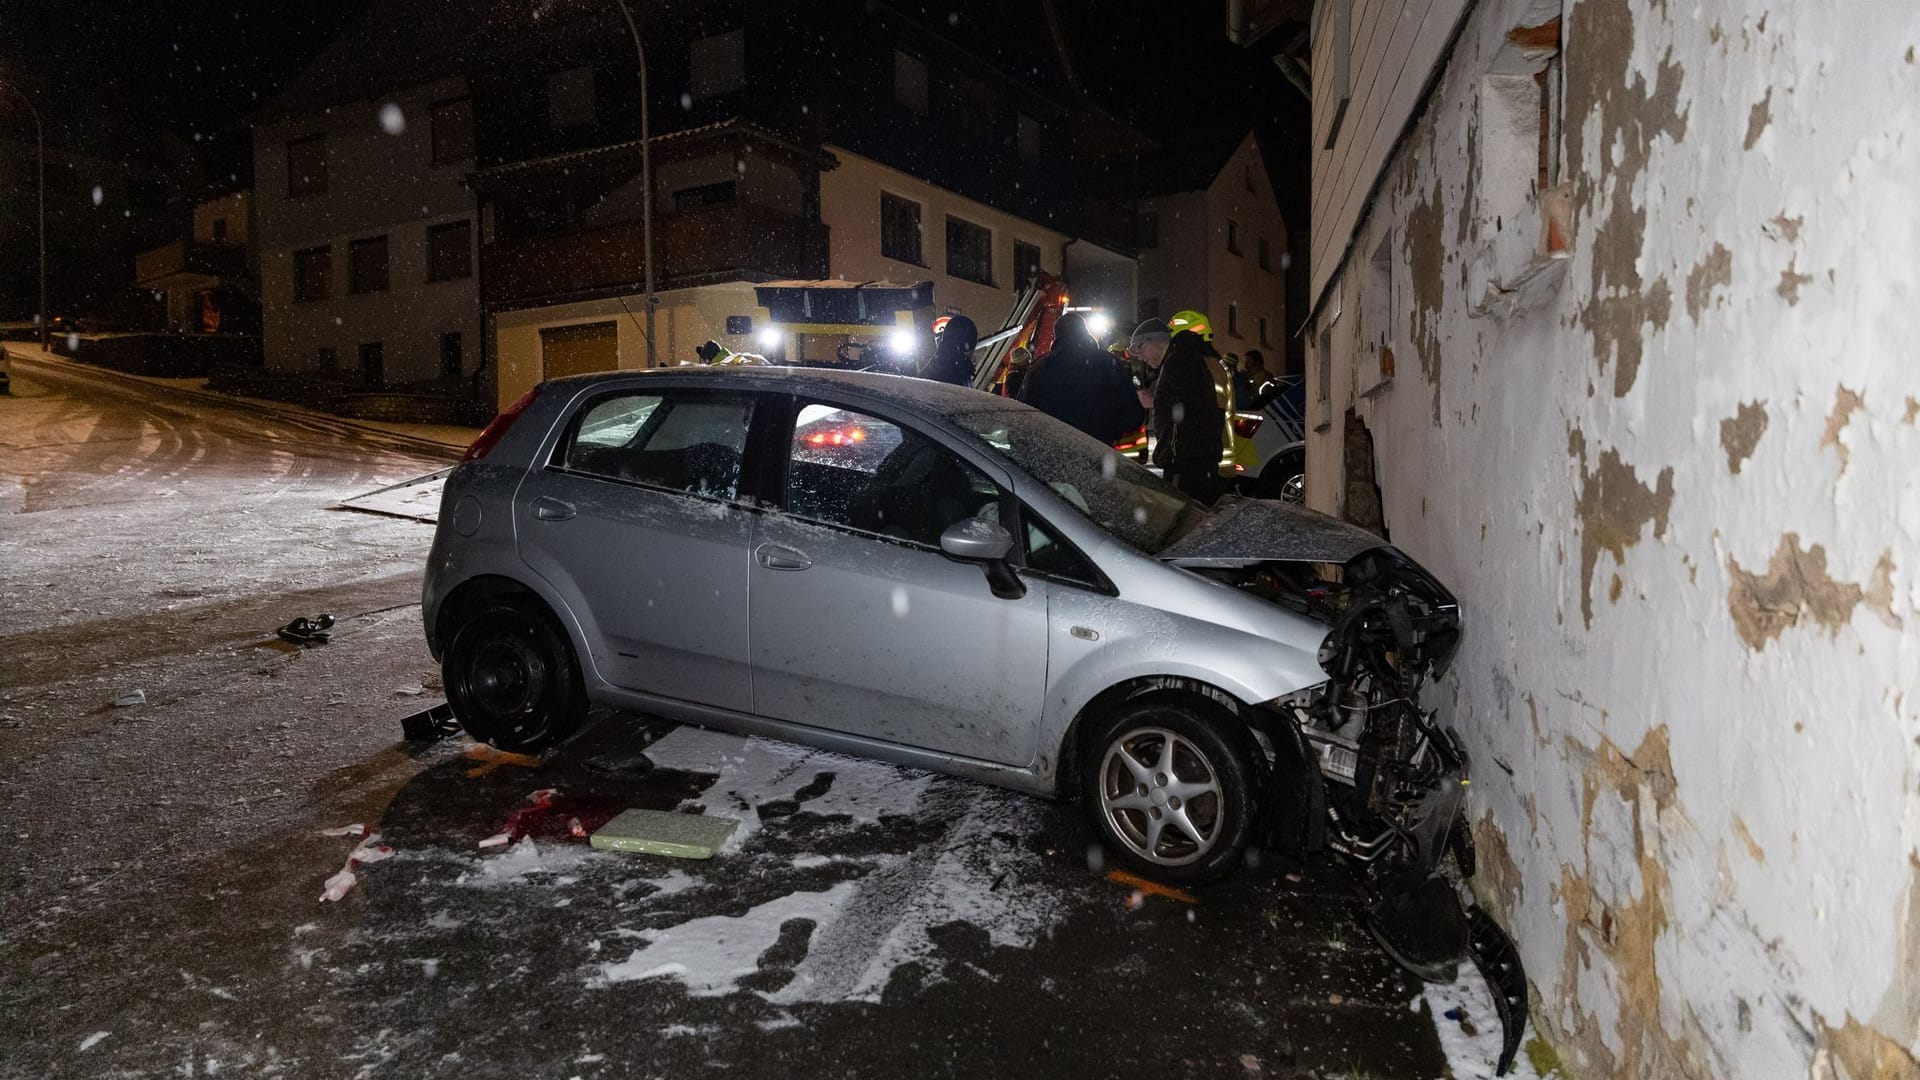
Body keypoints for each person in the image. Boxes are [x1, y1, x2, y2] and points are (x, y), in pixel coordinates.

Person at [1130, 316, 1224, 503]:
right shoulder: (1186, 358)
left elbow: (1185, 410)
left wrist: (1154, 401)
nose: (1140, 357)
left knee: (1187, 519)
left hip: (1186, 463)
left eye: (1140, 348)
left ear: (1155, 341)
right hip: (1198, 461)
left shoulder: (1178, 362)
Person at [1018, 312, 1143, 445]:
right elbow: (1132, 417)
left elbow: (1023, 415)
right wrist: (1108, 429)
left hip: (1050, 452)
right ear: (1085, 332)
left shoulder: (1038, 368)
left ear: (1056, 335)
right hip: (1097, 451)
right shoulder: (1108, 364)